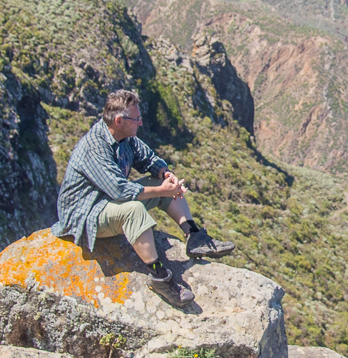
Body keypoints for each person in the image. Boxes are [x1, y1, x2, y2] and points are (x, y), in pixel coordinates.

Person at [52, 89, 235, 308]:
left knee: (160, 185)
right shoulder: (94, 148)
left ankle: (193, 235)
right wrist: (163, 191)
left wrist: (165, 175)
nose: (140, 123)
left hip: (108, 201)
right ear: (119, 121)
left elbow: (148, 158)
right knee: (134, 210)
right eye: (136, 119)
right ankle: (159, 276)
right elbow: (119, 191)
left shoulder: (125, 138)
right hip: (87, 214)